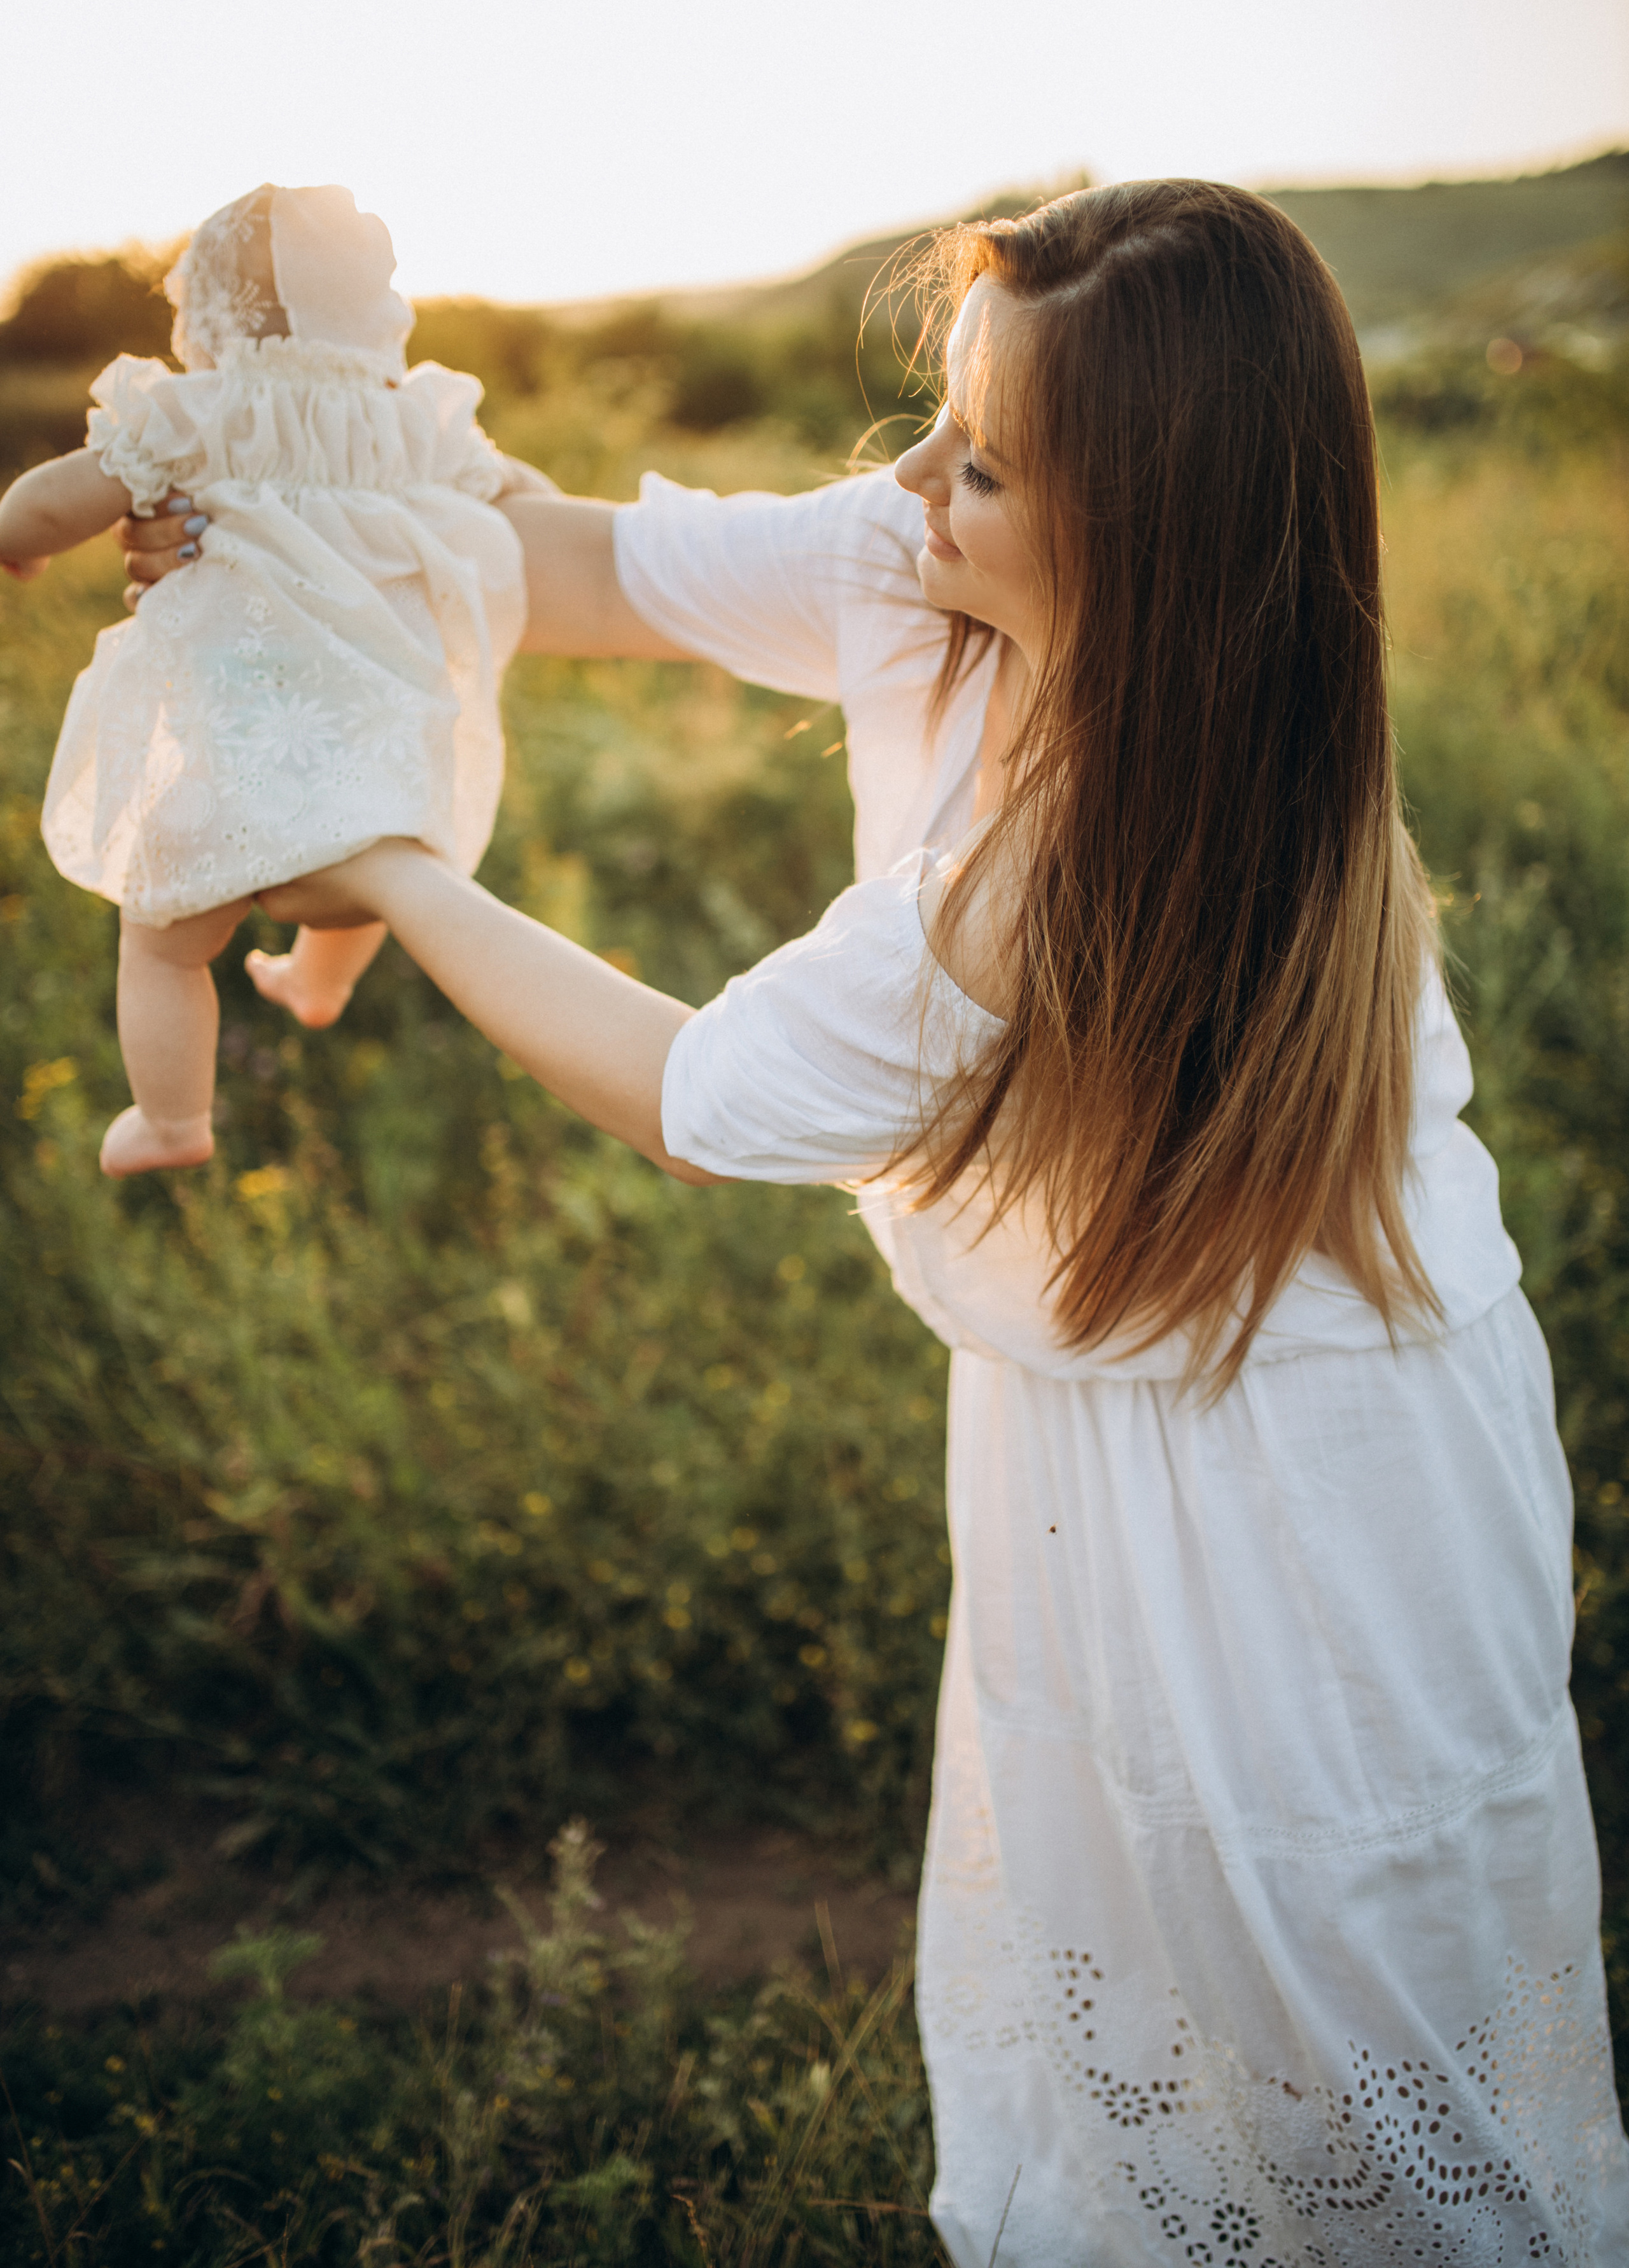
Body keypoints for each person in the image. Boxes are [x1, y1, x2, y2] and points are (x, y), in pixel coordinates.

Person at [118, 181, 1629, 2262]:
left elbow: (693, 1095)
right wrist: (281, 496)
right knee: (1143, 1968)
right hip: (1097, 1414)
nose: (914, 481)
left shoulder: (1082, 856)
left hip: (1304, 1477)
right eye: (942, 417)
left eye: (984, 462)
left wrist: (386, 862)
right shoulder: (927, 562)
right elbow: (572, 562)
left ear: (1143, 531)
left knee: (1356, 1985)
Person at [0, 183, 540, 1176]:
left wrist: (18, 540)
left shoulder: (198, 412)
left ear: (215, 314)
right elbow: (527, 499)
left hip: (229, 753)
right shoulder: (416, 423)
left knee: (163, 940)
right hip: (373, 750)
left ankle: (171, 1120)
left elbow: (50, 504)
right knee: (380, 853)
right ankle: (319, 981)